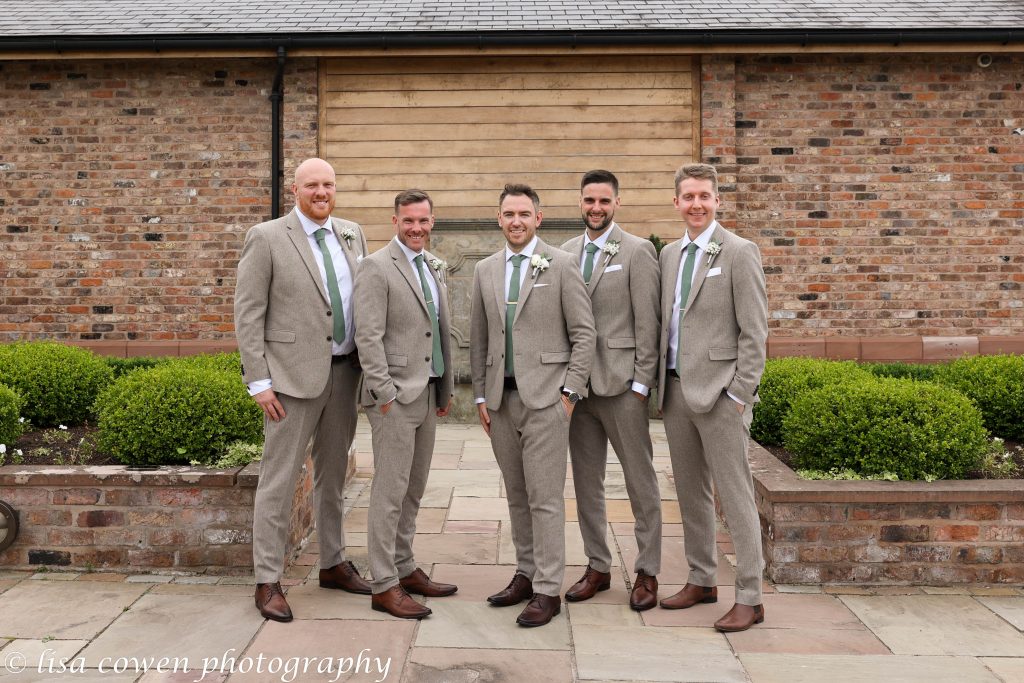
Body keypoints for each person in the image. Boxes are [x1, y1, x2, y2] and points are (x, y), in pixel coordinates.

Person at [235, 157, 371, 623]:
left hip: (345, 374)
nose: (321, 192)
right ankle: (267, 579)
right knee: (280, 478)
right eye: (312, 185)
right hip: (290, 381)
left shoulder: (352, 233)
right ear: (295, 189)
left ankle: (332, 563)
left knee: (333, 475)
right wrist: (259, 381)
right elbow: (248, 313)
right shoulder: (268, 237)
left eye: (329, 184)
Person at [470, 183, 596, 627]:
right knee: (518, 495)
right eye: (509, 214)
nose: (516, 221)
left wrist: (569, 395)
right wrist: (481, 396)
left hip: (547, 400)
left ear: (537, 218)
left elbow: (584, 334)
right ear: (499, 218)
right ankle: (525, 573)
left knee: (545, 499)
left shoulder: (561, 265)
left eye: (524, 213)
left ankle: (547, 589)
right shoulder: (485, 270)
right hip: (501, 403)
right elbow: (480, 337)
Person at [656, 162, 769, 632]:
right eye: (688, 197)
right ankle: (702, 578)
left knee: (735, 494)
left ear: (717, 200)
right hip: (677, 389)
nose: (696, 204)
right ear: (677, 202)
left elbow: (755, 332)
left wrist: (739, 394)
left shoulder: (740, 252)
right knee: (690, 491)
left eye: (704, 196)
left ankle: (751, 595)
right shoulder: (668, 256)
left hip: (721, 395)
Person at [560, 170, 663, 611]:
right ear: (579, 203)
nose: (596, 208)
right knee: (587, 483)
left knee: (640, 481)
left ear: (617, 203)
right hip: (578, 392)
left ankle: (648, 570)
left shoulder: (638, 252)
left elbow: (649, 322)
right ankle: (597, 565)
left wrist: (641, 384)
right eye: (589, 200)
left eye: (604, 201)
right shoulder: (563, 254)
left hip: (623, 387)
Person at [353, 189, 457, 620]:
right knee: (390, 492)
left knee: (413, 489)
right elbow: (368, 337)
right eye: (409, 221)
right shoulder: (376, 267)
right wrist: (385, 394)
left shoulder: (432, 265)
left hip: (428, 391)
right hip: (394, 397)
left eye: (424, 221)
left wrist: (444, 387)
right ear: (394, 220)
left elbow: (437, 330)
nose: (417, 228)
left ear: (433, 221)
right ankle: (383, 583)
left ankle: (404, 565)